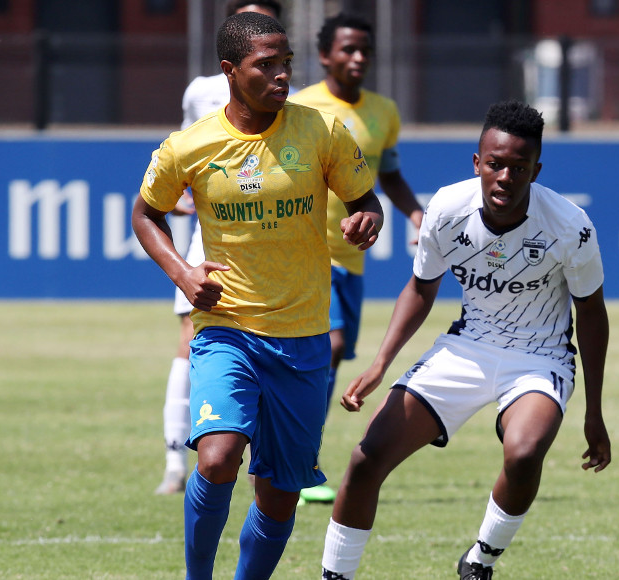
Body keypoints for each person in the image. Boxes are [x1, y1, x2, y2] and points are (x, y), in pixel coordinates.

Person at [132, 12, 384, 579]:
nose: (281, 75)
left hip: (302, 336)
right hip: (228, 329)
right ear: (230, 70)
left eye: (285, 63)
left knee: (279, 492)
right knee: (218, 458)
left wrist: (367, 217)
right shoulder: (190, 146)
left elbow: (365, 199)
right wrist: (183, 273)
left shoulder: (321, 131)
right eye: (265, 65)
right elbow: (146, 214)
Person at [319, 101, 611, 580]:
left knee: (523, 453)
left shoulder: (569, 226)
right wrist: (379, 364)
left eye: (519, 168)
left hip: (540, 359)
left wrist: (593, 412)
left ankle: (480, 561)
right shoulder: (446, 209)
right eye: (495, 164)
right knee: (366, 458)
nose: (505, 177)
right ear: (477, 162)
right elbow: (420, 288)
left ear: (536, 171)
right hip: (467, 347)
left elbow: (592, 314)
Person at [289, 12, 424, 504]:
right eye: (348, 49)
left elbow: (389, 175)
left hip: (353, 257)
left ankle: (287, 448)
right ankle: (300, 460)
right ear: (325, 55)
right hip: (306, 250)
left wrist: (416, 214)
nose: (359, 57)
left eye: (365, 49)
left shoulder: (384, 111)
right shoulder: (301, 107)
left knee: (328, 354)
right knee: (330, 346)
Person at [156, 0, 286, 496]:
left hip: (275, 246)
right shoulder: (201, 92)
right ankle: (175, 459)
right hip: (212, 239)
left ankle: (266, 461)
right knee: (191, 338)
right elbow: (185, 152)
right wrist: (182, 195)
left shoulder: (289, 97)